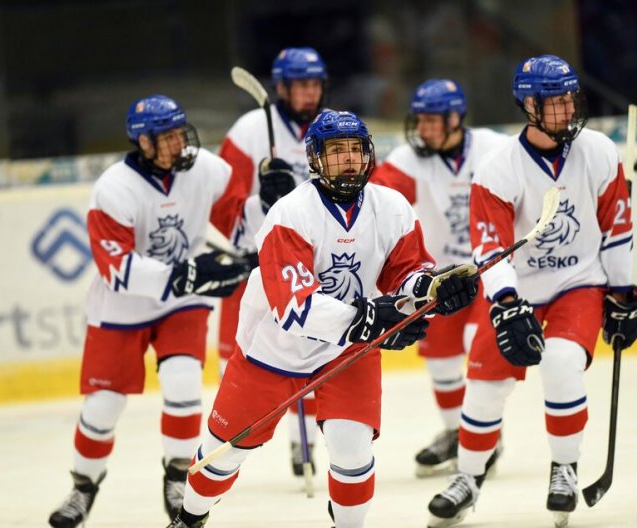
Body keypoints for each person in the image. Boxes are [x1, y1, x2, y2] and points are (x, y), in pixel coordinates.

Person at [165, 110, 479, 528]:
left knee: (353, 450)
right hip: (274, 350)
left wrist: (432, 289)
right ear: (315, 159)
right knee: (225, 451)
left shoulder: (391, 207)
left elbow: (406, 273)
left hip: (346, 349)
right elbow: (295, 306)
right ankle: (189, 518)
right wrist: (369, 318)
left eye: (355, 149)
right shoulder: (290, 214)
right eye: (336, 151)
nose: (348, 159)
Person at [426, 55, 637, 528]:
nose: (566, 108)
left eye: (569, 98)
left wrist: (625, 293)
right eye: (553, 101)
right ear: (528, 105)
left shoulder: (600, 151)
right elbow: (490, 246)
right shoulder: (498, 168)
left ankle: (564, 467)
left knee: (562, 363)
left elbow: (618, 228)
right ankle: (468, 477)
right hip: (516, 289)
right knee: (482, 386)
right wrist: (504, 302)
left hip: (577, 283)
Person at [48, 95, 252, 527]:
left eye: (181, 133)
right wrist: (192, 273)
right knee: (102, 406)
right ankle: (83, 486)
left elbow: (238, 222)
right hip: (121, 307)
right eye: (167, 137)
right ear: (142, 141)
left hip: (182, 303)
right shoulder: (113, 190)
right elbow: (118, 269)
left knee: (182, 384)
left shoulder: (205, 168)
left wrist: (267, 201)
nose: (179, 144)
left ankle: (177, 475)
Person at [372, 79, 508, 477]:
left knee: (476, 346)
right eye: (420, 120)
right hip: (442, 278)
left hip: (491, 267)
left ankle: (488, 433)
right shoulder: (409, 160)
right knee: (442, 361)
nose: (423, 128)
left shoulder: (493, 149)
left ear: (455, 118)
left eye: (432, 120)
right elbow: (374, 194)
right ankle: (455, 432)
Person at [218, 46, 328, 476]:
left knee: (319, 351)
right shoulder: (249, 131)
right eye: (300, 85)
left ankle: (309, 444)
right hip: (260, 264)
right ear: (281, 88)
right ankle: (233, 446)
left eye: (315, 83)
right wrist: (258, 203)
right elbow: (223, 209)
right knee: (256, 357)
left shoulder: (331, 127)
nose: (309, 92)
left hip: (318, 261)